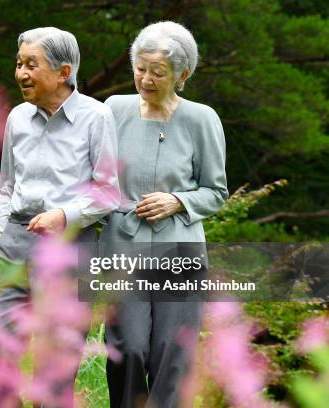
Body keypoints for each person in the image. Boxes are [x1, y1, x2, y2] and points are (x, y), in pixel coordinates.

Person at [0, 27, 120, 406]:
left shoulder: (97, 117)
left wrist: (63, 215)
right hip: (14, 244)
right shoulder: (16, 117)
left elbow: (108, 191)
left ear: (63, 72)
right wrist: (2, 238)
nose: (21, 73)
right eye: (19, 64)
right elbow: (8, 185)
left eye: (31, 64)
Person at [101, 21, 228, 408]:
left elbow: (216, 191)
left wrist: (179, 201)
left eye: (157, 72)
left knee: (171, 355)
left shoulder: (201, 119)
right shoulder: (113, 110)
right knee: (128, 347)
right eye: (140, 69)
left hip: (180, 252)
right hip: (123, 248)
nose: (146, 79)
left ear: (182, 74)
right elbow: (96, 179)